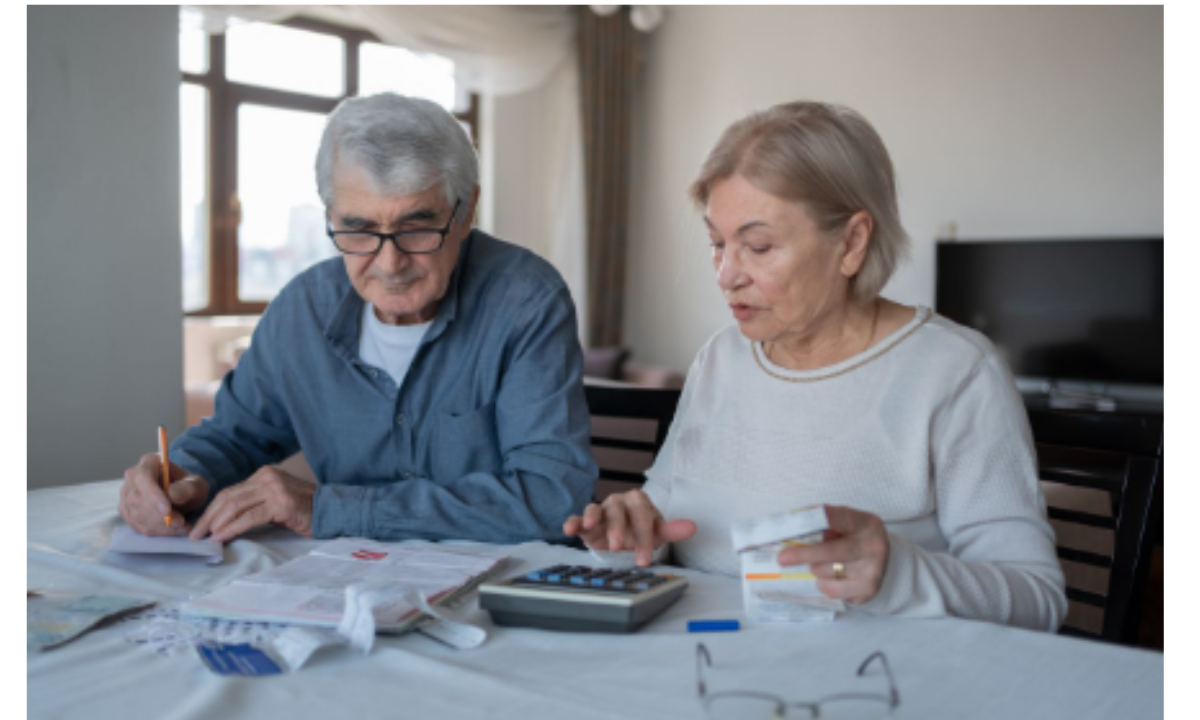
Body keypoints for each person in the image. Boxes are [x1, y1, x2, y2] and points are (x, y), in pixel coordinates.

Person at [563, 101, 1067, 631]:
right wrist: (627, 535)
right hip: (701, 655)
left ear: (851, 243)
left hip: (866, 673)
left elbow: (1037, 599)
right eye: (717, 243)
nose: (726, 274)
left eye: (758, 246)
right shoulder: (720, 357)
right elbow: (663, 520)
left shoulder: (954, 371)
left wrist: (896, 573)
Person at [119, 93, 596, 544]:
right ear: (331, 216)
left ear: (466, 210)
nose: (390, 264)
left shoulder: (526, 300)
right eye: (358, 228)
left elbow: (552, 499)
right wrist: (179, 477)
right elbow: (232, 437)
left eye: (416, 227)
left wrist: (332, 509)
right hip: (340, 585)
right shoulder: (301, 309)